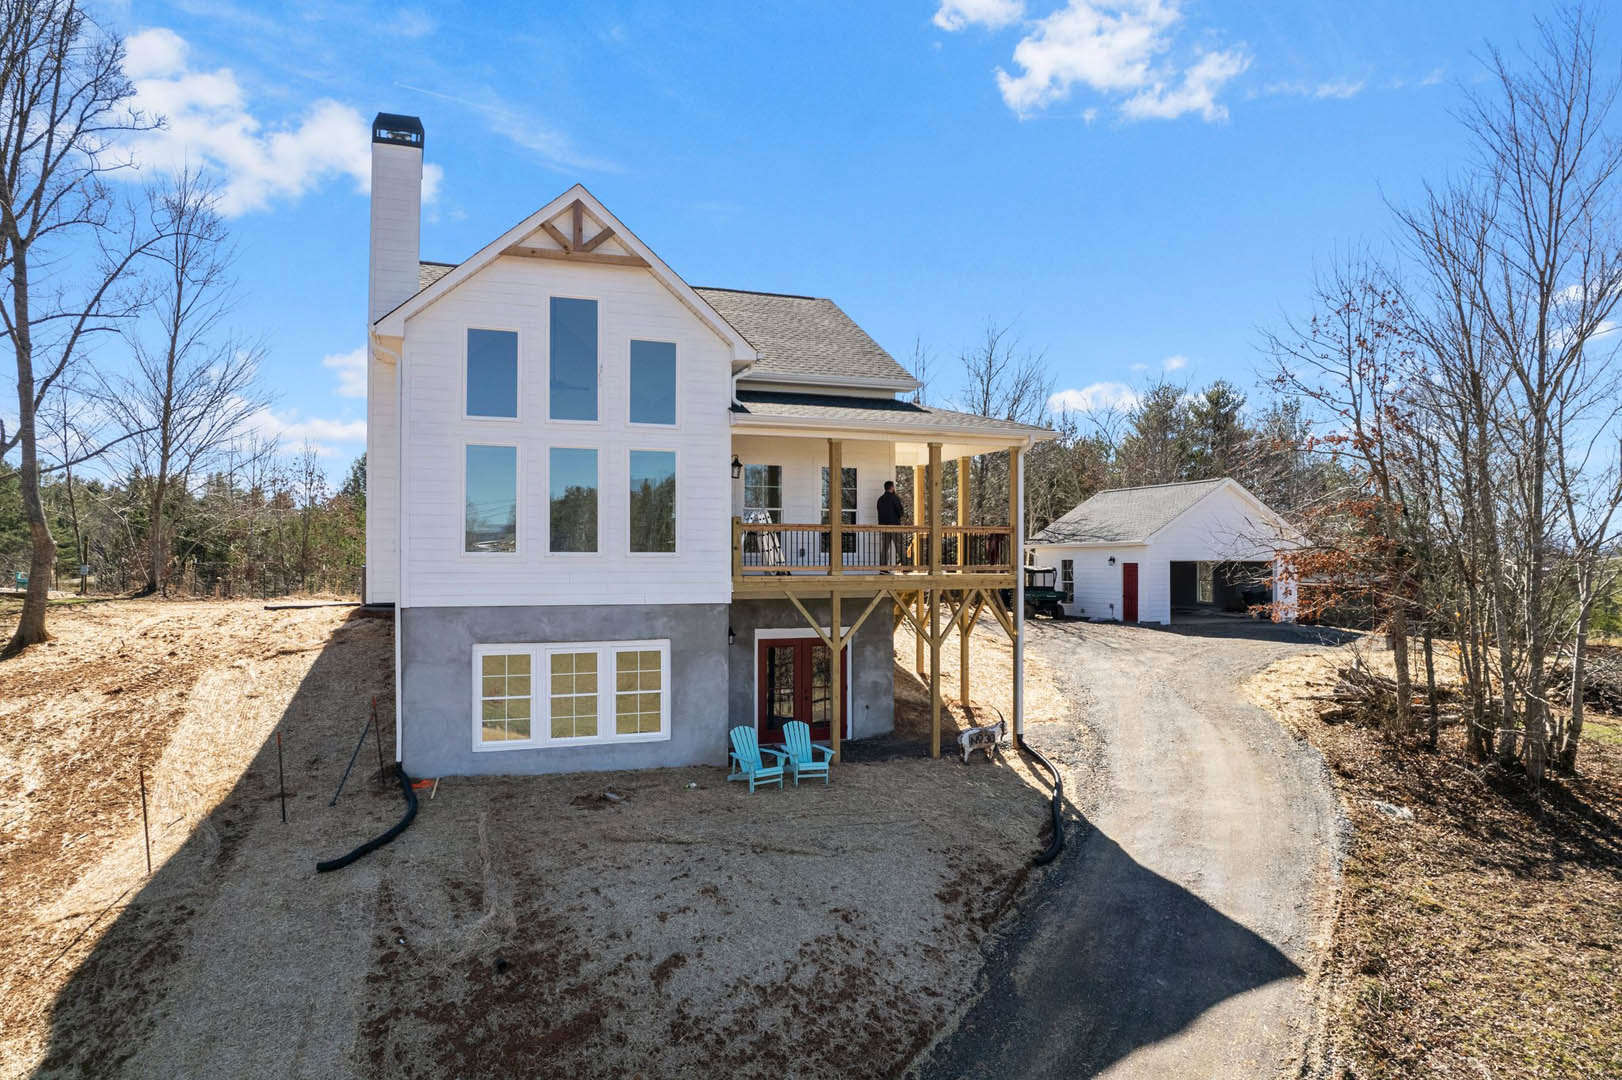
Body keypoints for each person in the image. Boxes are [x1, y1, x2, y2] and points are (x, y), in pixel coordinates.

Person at [877, 480, 907, 568]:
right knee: (900, 547)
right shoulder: (895, 498)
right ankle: (906, 567)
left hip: (884, 527)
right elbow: (900, 513)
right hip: (895, 527)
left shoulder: (880, 499)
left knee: (884, 549)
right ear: (892, 487)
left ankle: (883, 568)